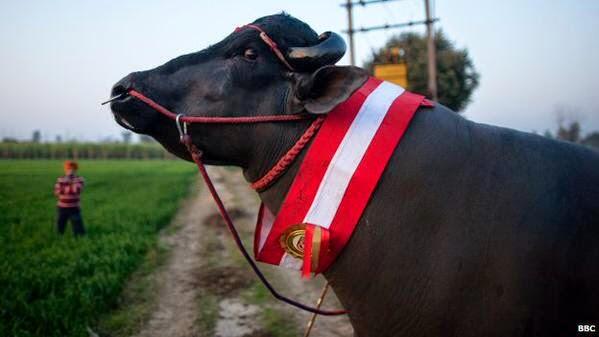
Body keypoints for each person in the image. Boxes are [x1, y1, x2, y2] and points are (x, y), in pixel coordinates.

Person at [54, 160, 86, 236]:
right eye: (68, 169)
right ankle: (59, 237)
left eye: (73, 169)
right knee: (60, 224)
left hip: (74, 207)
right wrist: (70, 187)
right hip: (62, 206)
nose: (70, 171)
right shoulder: (60, 178)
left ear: (76, 170)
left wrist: (64, 188)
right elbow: (57, 192)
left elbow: (77, 190)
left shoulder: (80, 179)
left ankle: (80, 239)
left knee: (78, 225)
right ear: (65, 169)